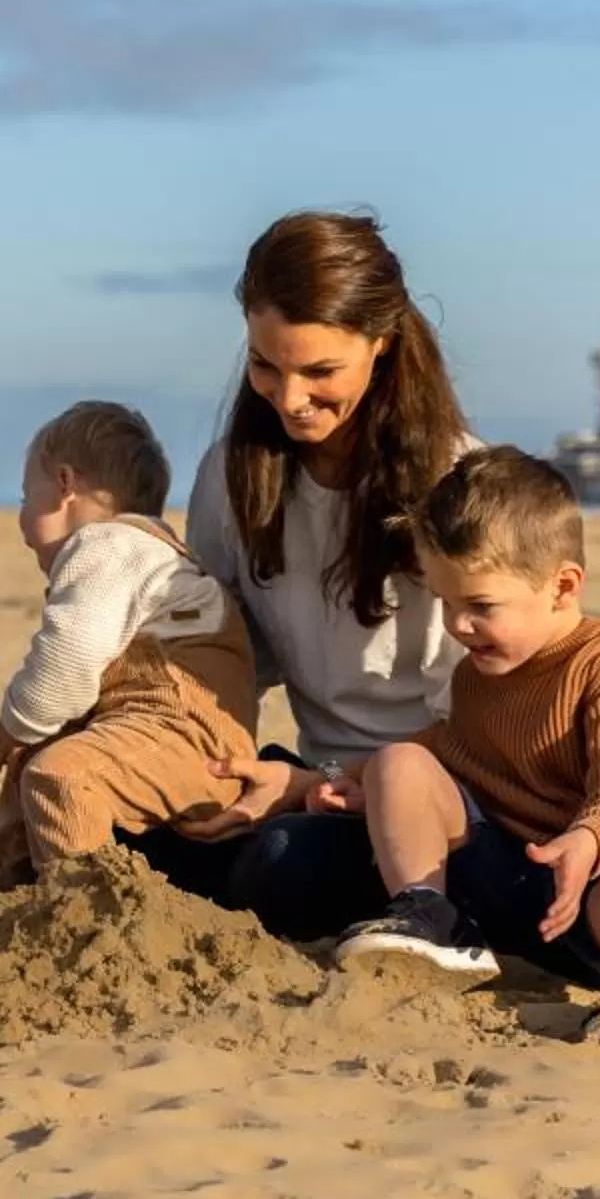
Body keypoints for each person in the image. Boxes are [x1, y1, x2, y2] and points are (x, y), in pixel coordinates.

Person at [124, 210, 477, 942]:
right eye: (265, 366)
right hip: (309, 786)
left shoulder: (459, 482)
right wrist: (192, 767)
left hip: (438, 797)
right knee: (130, 823)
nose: (288, 399)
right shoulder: (232, 474)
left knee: (284, 866)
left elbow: (487, 720)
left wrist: (313, 789)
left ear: (381, 345)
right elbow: (220, 663)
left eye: (319, 371)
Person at [328, 448, 600, 1033]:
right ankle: (430, 916)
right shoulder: (477, 671)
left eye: (480, 605)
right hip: (505, 884)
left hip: (593, 889)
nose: (458, 625)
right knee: (399, 760)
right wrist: (351, 780)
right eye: (446, 603)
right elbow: (448, 748)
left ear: (562, 586)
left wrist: (588, 839)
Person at [0, 402, 259, 932]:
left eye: (26, 497)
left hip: (188, 737)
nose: (22, 517)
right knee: (45, 750)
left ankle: (81, 922)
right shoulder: (148, 551)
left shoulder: (107, 544)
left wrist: (16, 722)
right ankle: (6, 887)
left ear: (64, 483)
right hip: (161, 729)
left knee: (59, 776)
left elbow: (71, 654)